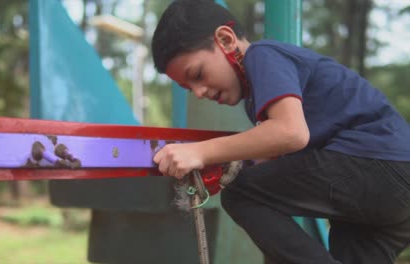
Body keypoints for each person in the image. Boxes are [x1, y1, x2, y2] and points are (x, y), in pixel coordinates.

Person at [151, 0, 410, 263]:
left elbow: (290, 133)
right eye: (189, 88)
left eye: (197, 74)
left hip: (377, 166)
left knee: (242, 195)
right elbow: (277, 160)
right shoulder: (260, 98)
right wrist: (229, 163)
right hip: (390, 189)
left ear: (226, 40)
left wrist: (201, 151)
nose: (199, 92)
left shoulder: (263, 56)